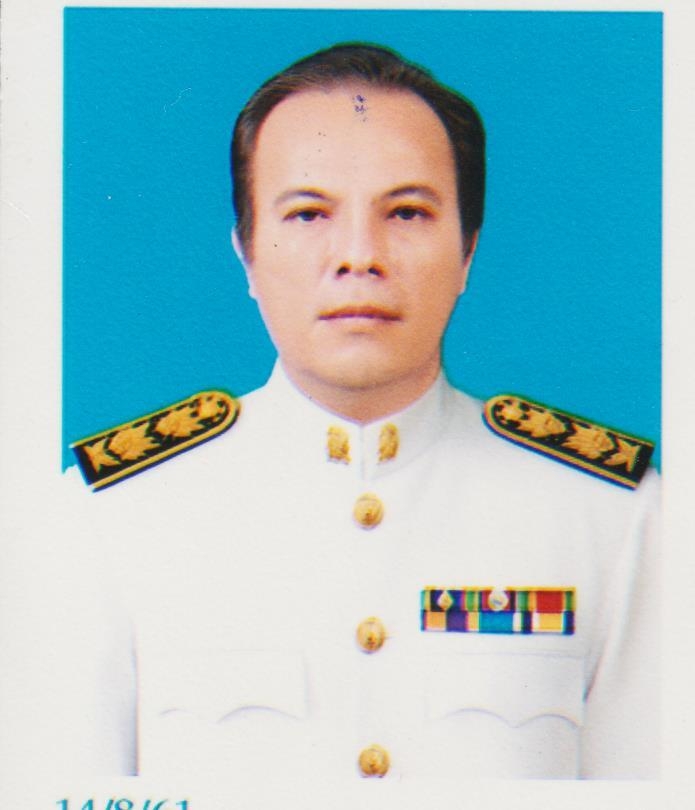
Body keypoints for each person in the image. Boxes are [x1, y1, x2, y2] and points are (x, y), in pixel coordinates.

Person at [63, 43, 659, 784]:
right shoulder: (111, 516)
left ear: (467, 251)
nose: (358, 256)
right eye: (308, 213)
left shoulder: (613, 516)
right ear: (246, 254)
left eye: (406, 212)